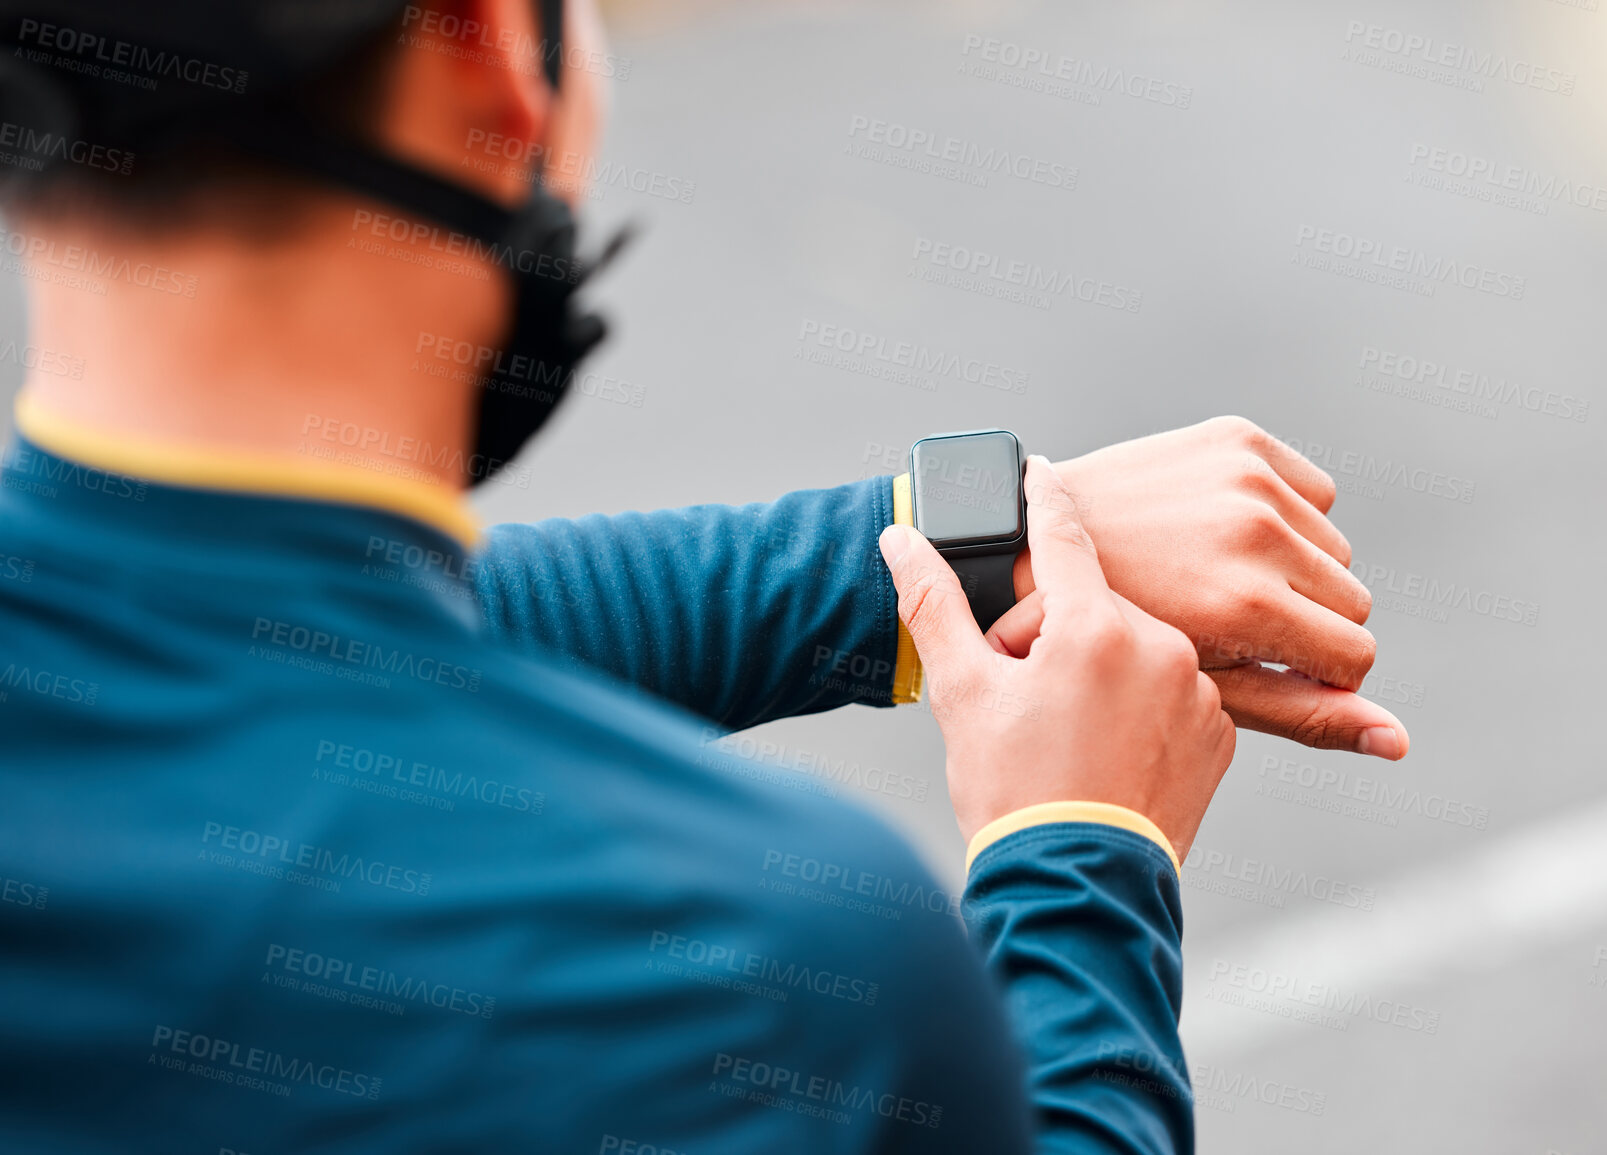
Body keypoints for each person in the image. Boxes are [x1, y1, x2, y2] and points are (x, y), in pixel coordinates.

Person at [0, 2, 1406, 1152]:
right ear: (490, 50)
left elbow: (252, 650)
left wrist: (953, 550)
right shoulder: (758, 980)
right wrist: (1084, 853)